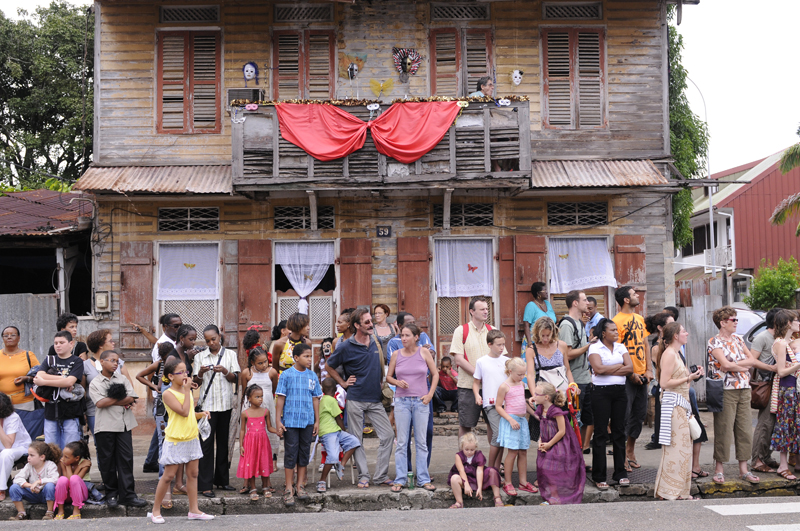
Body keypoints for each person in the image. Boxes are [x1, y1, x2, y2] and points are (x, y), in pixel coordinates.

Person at [327, 308, 395, 489]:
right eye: (366, 322)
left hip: (375, 399)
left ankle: (380, 476)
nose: (371, 324)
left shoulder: (375, 341)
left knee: (388, 435)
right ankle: (363, 476)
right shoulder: (345, 346)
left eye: (370, 321)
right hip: (356, 398)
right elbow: (329, 366)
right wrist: (343, 382)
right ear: (356, 325)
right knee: (357, 439)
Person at [150, 358, 214, 523]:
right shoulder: (167, 394)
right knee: (168, 475)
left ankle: (194, 510)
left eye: (186, 371)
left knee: (193, 474)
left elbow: (190, 414)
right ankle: (156, 510)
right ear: (171, 376)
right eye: (181, 372)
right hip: (176, 439)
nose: (186, 375)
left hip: (191, 437)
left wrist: (202, 414)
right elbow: (183, 412)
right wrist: (187, 391)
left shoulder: (186, 391)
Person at [707, 306, 760, 485]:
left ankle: (744, 469)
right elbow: (725, 365)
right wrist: (740, 366)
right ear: (723, 323)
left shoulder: (738, 339)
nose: (736, 322)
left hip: (744, 387)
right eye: (733, 320)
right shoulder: (714, 342)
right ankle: (719, 469)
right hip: (725, 389)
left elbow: (752, 360)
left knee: (744, 428)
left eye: (736, 319)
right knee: (723, 428)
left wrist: (734, 364)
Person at [88, 350, 146, 508]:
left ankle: (128, 495)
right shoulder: (96, 382)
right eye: (112, 360)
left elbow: (132, 397)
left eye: (117, 361)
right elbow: (100, 403)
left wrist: (113, 399)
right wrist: (121, 398)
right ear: (101, 362)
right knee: (108, 462)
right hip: (105, 426)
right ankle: (111, 494)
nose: (116, 364)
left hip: (124, 425)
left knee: (126, 460)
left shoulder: (122, 379)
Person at [653, 322, 704, 500]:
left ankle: (679, 491)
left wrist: (692, 377)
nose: (687, 333)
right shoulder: (669, 354)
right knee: (676, 450)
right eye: (683, 331)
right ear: (675, 336)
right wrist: (689, 377)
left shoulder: (676, 354)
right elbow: (664, 383)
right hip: (673, 406)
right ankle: (670, 491)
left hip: (681, 405)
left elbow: (682, 383)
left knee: (683, 449)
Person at [387, 323, 438, 492]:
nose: (403, 338)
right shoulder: (396, 354)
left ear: (416, 337)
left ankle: (423, 478)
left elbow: (435, 373)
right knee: (402, 442)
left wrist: (430, 394)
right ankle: (400, 478)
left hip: (421, 401)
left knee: (421, 442)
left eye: (407, 335)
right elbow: (388, 376)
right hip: (401, 401)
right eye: (402, 335)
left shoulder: (423, 352)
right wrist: (396, 382)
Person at [193, 325, 240, 498]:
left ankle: (222, 480)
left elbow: (236, 378)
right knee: (205, 445)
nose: (211, 343)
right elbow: (196, 383)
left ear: (219, 337)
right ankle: (205, 485)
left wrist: (226, 371)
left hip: (226, 406)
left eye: (213, 339)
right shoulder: (199, 357)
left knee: (223, 444)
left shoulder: (230, 355)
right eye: (207, 341)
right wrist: (200, 372)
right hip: (207, 408)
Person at [588, 318, 633, 489]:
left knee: (619, 431)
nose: (616, 332)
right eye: (613, 330)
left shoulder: (621, 347)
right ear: (604, 333)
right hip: (600, 393)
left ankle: (620, 473)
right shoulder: (594, 347)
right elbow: (597, 369)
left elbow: (630, 369)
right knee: (600, 433)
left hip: (619, 392)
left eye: (616, 329)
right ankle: (599, 476)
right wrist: (619, 365)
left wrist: (609, 369)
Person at [275, 343, 322, 507]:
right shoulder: (286, 375)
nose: (310, 359)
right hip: (291, 422)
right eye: (306, 356)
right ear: (296, 358)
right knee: (290, 453)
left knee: (304, 453)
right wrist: (278, 420)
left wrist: (317, 420)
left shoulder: (312, 376)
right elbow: (280, 398)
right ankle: (289, 488)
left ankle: (300, 485)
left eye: (311, 356)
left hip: (307, 421)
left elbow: (316, 399)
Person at [451, 297, 505, 440]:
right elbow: (459, 359)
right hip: (468, 386)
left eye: (487, 309)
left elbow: (501, 357)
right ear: (472, 312)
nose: (486, 312)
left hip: (492, 386)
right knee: (466, 425)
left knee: (493, 424)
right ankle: (464, 459)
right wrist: (479, 375)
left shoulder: (492, 330)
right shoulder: (461, 330)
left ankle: (495, 462)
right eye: (482, 309)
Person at [611, 285, 651, 472]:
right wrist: (631, 373)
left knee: (639, 415)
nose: (638, 296)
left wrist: (649, 369)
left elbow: (645, 343)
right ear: (626, 300)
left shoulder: (640, 318)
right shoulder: (615, 322)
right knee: (623, 417)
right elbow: (616, 352)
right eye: (634, 294)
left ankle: (631, 450)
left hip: (643, 375)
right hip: (625, 377)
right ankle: (621, 457)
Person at [533, 382, 585, 505]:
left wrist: (549, 444)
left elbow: (562, 431)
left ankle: (557, 497)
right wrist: (540, 441)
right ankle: (553, 496)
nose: (534, 396)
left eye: (536, 394)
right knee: (543, 467)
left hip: (559, 444)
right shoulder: (540, 409)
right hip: (546, 442)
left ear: (546, 397)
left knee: (552, 470)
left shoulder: (556, 411)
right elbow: (542, 427)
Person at [142, 313, 182, 474]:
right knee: (164, 434)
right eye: (176, 326)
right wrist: (155, 388)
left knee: (162, 430)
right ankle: (163, 473)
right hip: (166, 395)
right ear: (165, 327)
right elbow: (160, 371)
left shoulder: (173, 341)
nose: (179, 329)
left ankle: (150, 461)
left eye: (180, 325)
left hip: (172, 392)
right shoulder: (163, 345)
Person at [525, 317, 576, 443]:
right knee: (547, 428)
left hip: (562, 393)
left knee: (564, 426)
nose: (546, 339)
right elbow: (530, 375)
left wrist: (573, 385)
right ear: (537, 333)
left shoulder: (562, 345)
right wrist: (534, 395)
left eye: (548, 335)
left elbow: (567, 369)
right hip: (544, 394)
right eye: (542, 335)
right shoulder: (531, 350)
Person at [135, 342, 174, 504]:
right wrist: (154, 387)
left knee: (170, 439)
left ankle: (169, 475)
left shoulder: (174, 365)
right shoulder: (159, 365)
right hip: (161, 409)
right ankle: (162, 477)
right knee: (162, 440)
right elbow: (139, 376)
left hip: (173, 407)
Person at [558, 291, 596, 455]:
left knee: (586, 419)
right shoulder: (567, 325)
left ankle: (579, 453)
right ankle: (571, 456)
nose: (587, 302)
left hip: (584, 379)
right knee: (575, 420)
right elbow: (567, 354)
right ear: (575, 303)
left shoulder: (579, 322)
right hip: (574, 381)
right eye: (584, 299)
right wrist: (589, 345)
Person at [34, 331, 84, 448]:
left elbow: (69, 382)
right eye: (56, 343)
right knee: (51, 449)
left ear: (71, 344)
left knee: (70, 449)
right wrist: (62, 379)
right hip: (51, 411)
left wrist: (45, 382)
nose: (58, 345)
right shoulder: (49, 360)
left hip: (70, 412)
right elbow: (39, 375)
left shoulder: (76, 361)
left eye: (61, 342)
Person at [496, 357, 537, 496]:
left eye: (523, 374)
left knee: (523, 451)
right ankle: (508, 482)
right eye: (519, 374)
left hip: (522, 421)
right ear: (510, 371)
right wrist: (510, 420)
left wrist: (534, 414)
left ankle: (523, 482)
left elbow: (523, 403)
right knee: (512, 452)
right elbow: (498, 407)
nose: (522, 377)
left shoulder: (521, 384)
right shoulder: (504, 386)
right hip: (511, 421)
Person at [769, 310, 800, 481]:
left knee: (792, 426)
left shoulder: (787, 342)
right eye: (796, 321)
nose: (798, 323)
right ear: (788, 323)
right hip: (786, 389)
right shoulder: (781, 343)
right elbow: (781, 371)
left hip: (791, 388)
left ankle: (788, 463)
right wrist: (798, 365)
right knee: (786, 426)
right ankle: (783, 465)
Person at [473, 329, 510, 471]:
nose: (502, 348)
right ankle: (490, 468)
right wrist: (477, 395)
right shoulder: (481, 362)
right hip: (491, 404)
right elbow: (476, 382)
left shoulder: (507, 361)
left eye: (503, 345)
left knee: (502, 438)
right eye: (498, 345)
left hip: (507, 404)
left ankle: (495, 468)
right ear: (489, 344)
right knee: (498, 434)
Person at [316, 377, 361, 493]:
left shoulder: (322, 399)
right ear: (336, 389)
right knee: (333, 456)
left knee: (354, 442)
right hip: (328, 433)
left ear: (322, 389)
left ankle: (341, 465)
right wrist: (344, 430)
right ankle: (322, 481)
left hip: (335, 432)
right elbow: (338, 418)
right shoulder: (331, 400)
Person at [240, 346, 279, 476]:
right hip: (250, 410)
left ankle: (271, 462)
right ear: (252, 363)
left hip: (267, 407)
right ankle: (250, 470)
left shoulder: (272, 372)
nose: (264, 365)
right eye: (260, 363)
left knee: (268, 435)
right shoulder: (247, 373)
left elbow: (274, 390)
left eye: (265, 361)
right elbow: (245, 392)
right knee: (252, 438)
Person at [751, 308, 782, 473]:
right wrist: (771, 367)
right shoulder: (762, 337)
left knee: (774, 424)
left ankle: (766, 457)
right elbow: (751, 361)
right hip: (767, 385)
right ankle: (756, 460)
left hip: (778, 385)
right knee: (765, 423)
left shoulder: (781, 339)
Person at [0, 325, 43, 440]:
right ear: (2, 338)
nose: (9, 337)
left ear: (19, 338)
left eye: (13, 335)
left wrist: (26, 379)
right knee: (5, 438)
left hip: (25, 405)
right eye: (6, 335)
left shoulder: (28, 355)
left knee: (25, 437)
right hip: (2, 405)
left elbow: (40, 375)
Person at [237, 384, 277, 500]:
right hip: (250, 443)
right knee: (252, 463)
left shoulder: (265, 411)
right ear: (249, 398)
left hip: (263, 442)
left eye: (261, 396)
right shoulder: (245, 413)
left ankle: (265, 486)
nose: (260, 399)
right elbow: (242, 430)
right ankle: (253, 488)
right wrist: (241, 445)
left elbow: (269, 427)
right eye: (257, 397)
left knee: (264, 462)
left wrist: (278, 432)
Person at [447, 432, 503, 509]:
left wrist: (479, 488)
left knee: (492, 471)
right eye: (466, 449)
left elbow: (480, 471)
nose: (469, 452)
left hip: (478, 478)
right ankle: (459, 502)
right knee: (454, 478)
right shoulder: (458, 456)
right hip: (465, 478)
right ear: (462, 447)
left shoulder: (479, 455)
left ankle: (497, 497)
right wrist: (466, 484)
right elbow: (461, 471)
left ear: (476, 447)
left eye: (472, 450)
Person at [9, 441, 60, 520]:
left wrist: (38, 482)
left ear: (42, 457)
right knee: (14, 487)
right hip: (32, 493)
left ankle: (50, 512)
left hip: (45, 494)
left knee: (50, 486)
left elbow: (55, 479)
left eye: (31, 455)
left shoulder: (50, 465)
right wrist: (30, 485)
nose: (28, 457)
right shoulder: (29, 466)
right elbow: (17, 478)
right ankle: (21, 513)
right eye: (28, 454)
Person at [0, 391, 31, 501]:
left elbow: (8, 444)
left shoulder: (13, 417)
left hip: (19, 447)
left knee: (6, 453)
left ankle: (1, 489)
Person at [54, 439, 91, 519]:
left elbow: (74, 481)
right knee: (62, 479)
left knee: (74, 478)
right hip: (67, 496)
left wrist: (79, 467)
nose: (63, 459)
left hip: (80, 495)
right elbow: (67, 480)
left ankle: (76, 512)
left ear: (77, 458)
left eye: (66, 457)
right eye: (63, 455)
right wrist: (67, 466)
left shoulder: (85, 463)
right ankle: (60, 511)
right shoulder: (64, 463)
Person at [521, 282, 556, 353]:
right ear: (538, 293)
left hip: (548, 339)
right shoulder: (531, 305)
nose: (547, 292)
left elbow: (555, 319)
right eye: (545, 290)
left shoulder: (548, 304)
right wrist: (530, 343)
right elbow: (526, 325)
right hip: (536, 340)